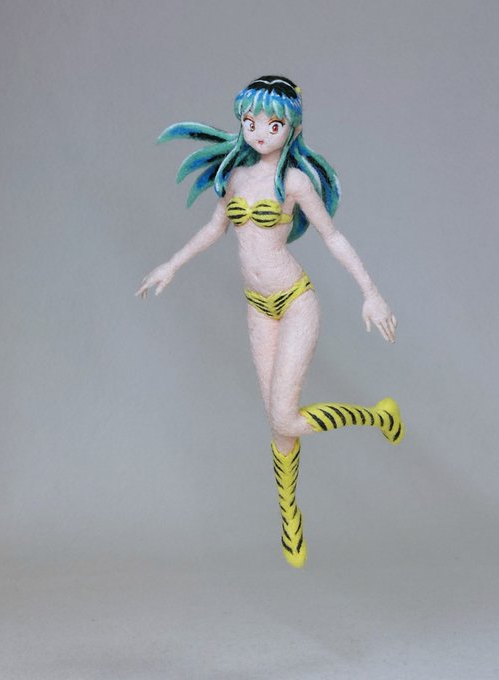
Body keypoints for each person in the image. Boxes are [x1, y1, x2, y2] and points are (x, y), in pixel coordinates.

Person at [137, 75, 405, 568]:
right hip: (257, 307)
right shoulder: (235, 178)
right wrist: (171, 265)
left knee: (285, 416)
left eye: (273, 124)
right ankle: (290, 516)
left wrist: (371, 293)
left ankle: (379, 416)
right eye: (251, 122)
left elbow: (332, 237)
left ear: (292, 128)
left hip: (296, 300)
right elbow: (214, 228)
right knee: (278, 423)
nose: (260, 132)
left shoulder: (295, 182)